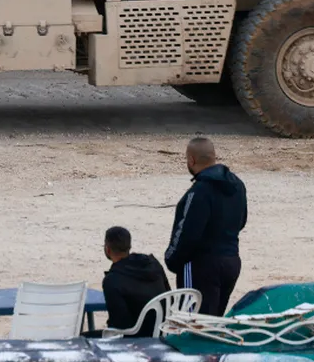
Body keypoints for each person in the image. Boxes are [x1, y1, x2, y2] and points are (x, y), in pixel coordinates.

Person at [164, 137, 247, 316]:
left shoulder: (198, 192)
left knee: (192, 323)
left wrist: (171, 260)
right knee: (213, 322)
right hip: (231, 261)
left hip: (202, 266)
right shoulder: (238, 186)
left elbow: (186, 234)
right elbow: (241, 222)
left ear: (191, 160)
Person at [101, 227, 171, 337]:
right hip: (163, 331)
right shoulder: (153, 264)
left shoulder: (112, 281)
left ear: (108, 249)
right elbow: (168, 295)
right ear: (129, 246)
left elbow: (119, 325)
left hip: (135, 339)